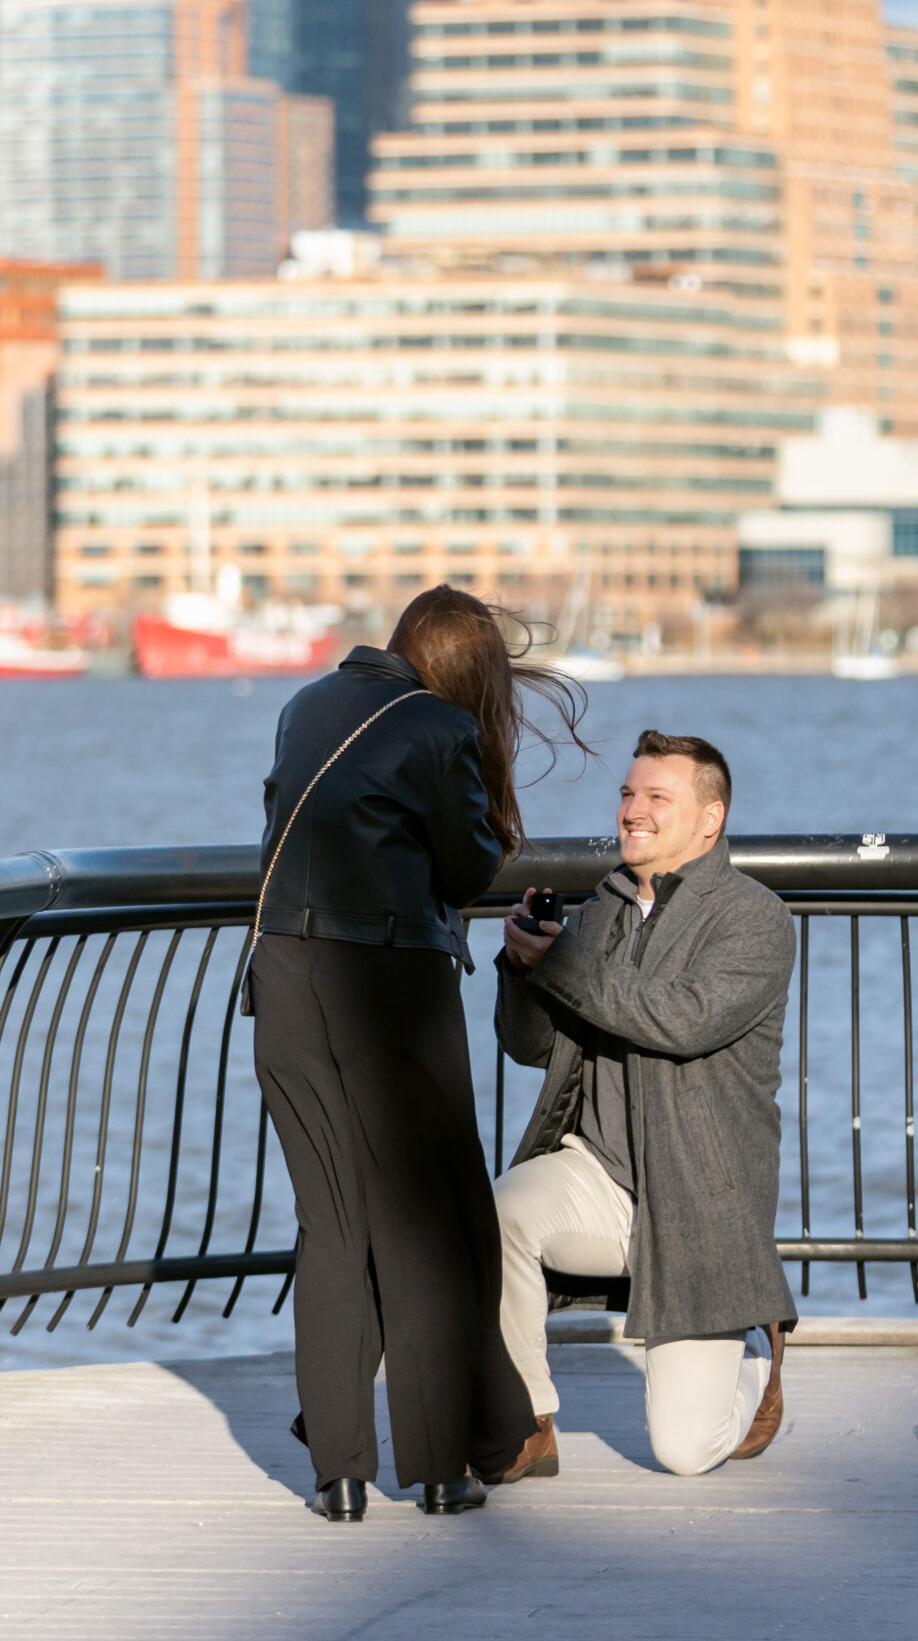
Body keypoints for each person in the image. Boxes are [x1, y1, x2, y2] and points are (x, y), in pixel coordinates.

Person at [249, 587, 581, 1522]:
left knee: (330, 1222)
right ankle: (437, 1470)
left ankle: (340, 1476)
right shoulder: (440, 728)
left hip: (283, 973)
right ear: (473, 673)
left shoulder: (305, 703)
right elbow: (472, 868)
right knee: (425, 1224)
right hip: (390, 983)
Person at [491, 728, 796, 1481]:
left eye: (657, 797)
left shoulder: (753, 919)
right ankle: (528, 1421)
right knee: (499, 1209)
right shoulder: (600, 912)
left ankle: (754, 1360)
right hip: (600, 1174)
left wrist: (560, 965)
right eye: (628, 794)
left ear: (708, 818)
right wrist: (521, 967)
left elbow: (680, 1020)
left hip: (697, 1205)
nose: (633, 810)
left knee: (683, 1453)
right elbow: (533, 1047)